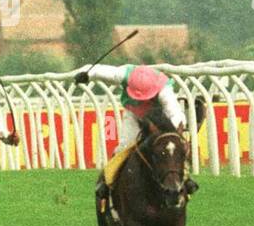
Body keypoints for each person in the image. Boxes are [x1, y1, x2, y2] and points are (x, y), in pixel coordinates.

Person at [73, 63, 196, 201]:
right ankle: (107, 182)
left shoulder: (164, 90)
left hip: (161, 118)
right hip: (133, 114)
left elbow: (176, 115)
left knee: (173, 148)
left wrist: (168, 135)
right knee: (124, 146)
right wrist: (86, 74)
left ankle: (186, 179)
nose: (141, 100)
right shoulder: (123, 74)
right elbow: (96, 69)